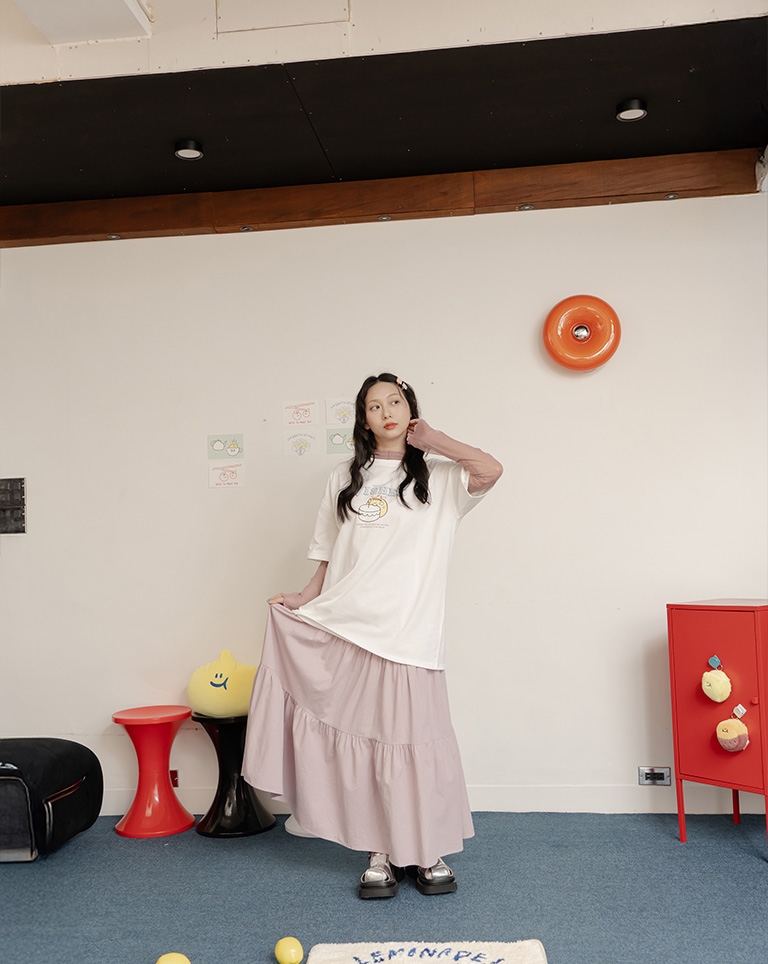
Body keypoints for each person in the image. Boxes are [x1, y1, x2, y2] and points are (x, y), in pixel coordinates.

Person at [242, 372, 502, 898]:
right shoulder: (345, 476)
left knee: (415, 744)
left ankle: (426, 851)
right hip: (349, 628)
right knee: (368, 745)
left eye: (395, 401)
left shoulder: (440, 475)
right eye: (374, 406)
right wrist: (305, 597)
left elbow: (491, 469)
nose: (386, 412)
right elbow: (328, 549)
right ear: (363, 420)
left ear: (410, 409)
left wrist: (432, 440)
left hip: (410, 634)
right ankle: (378, 851)